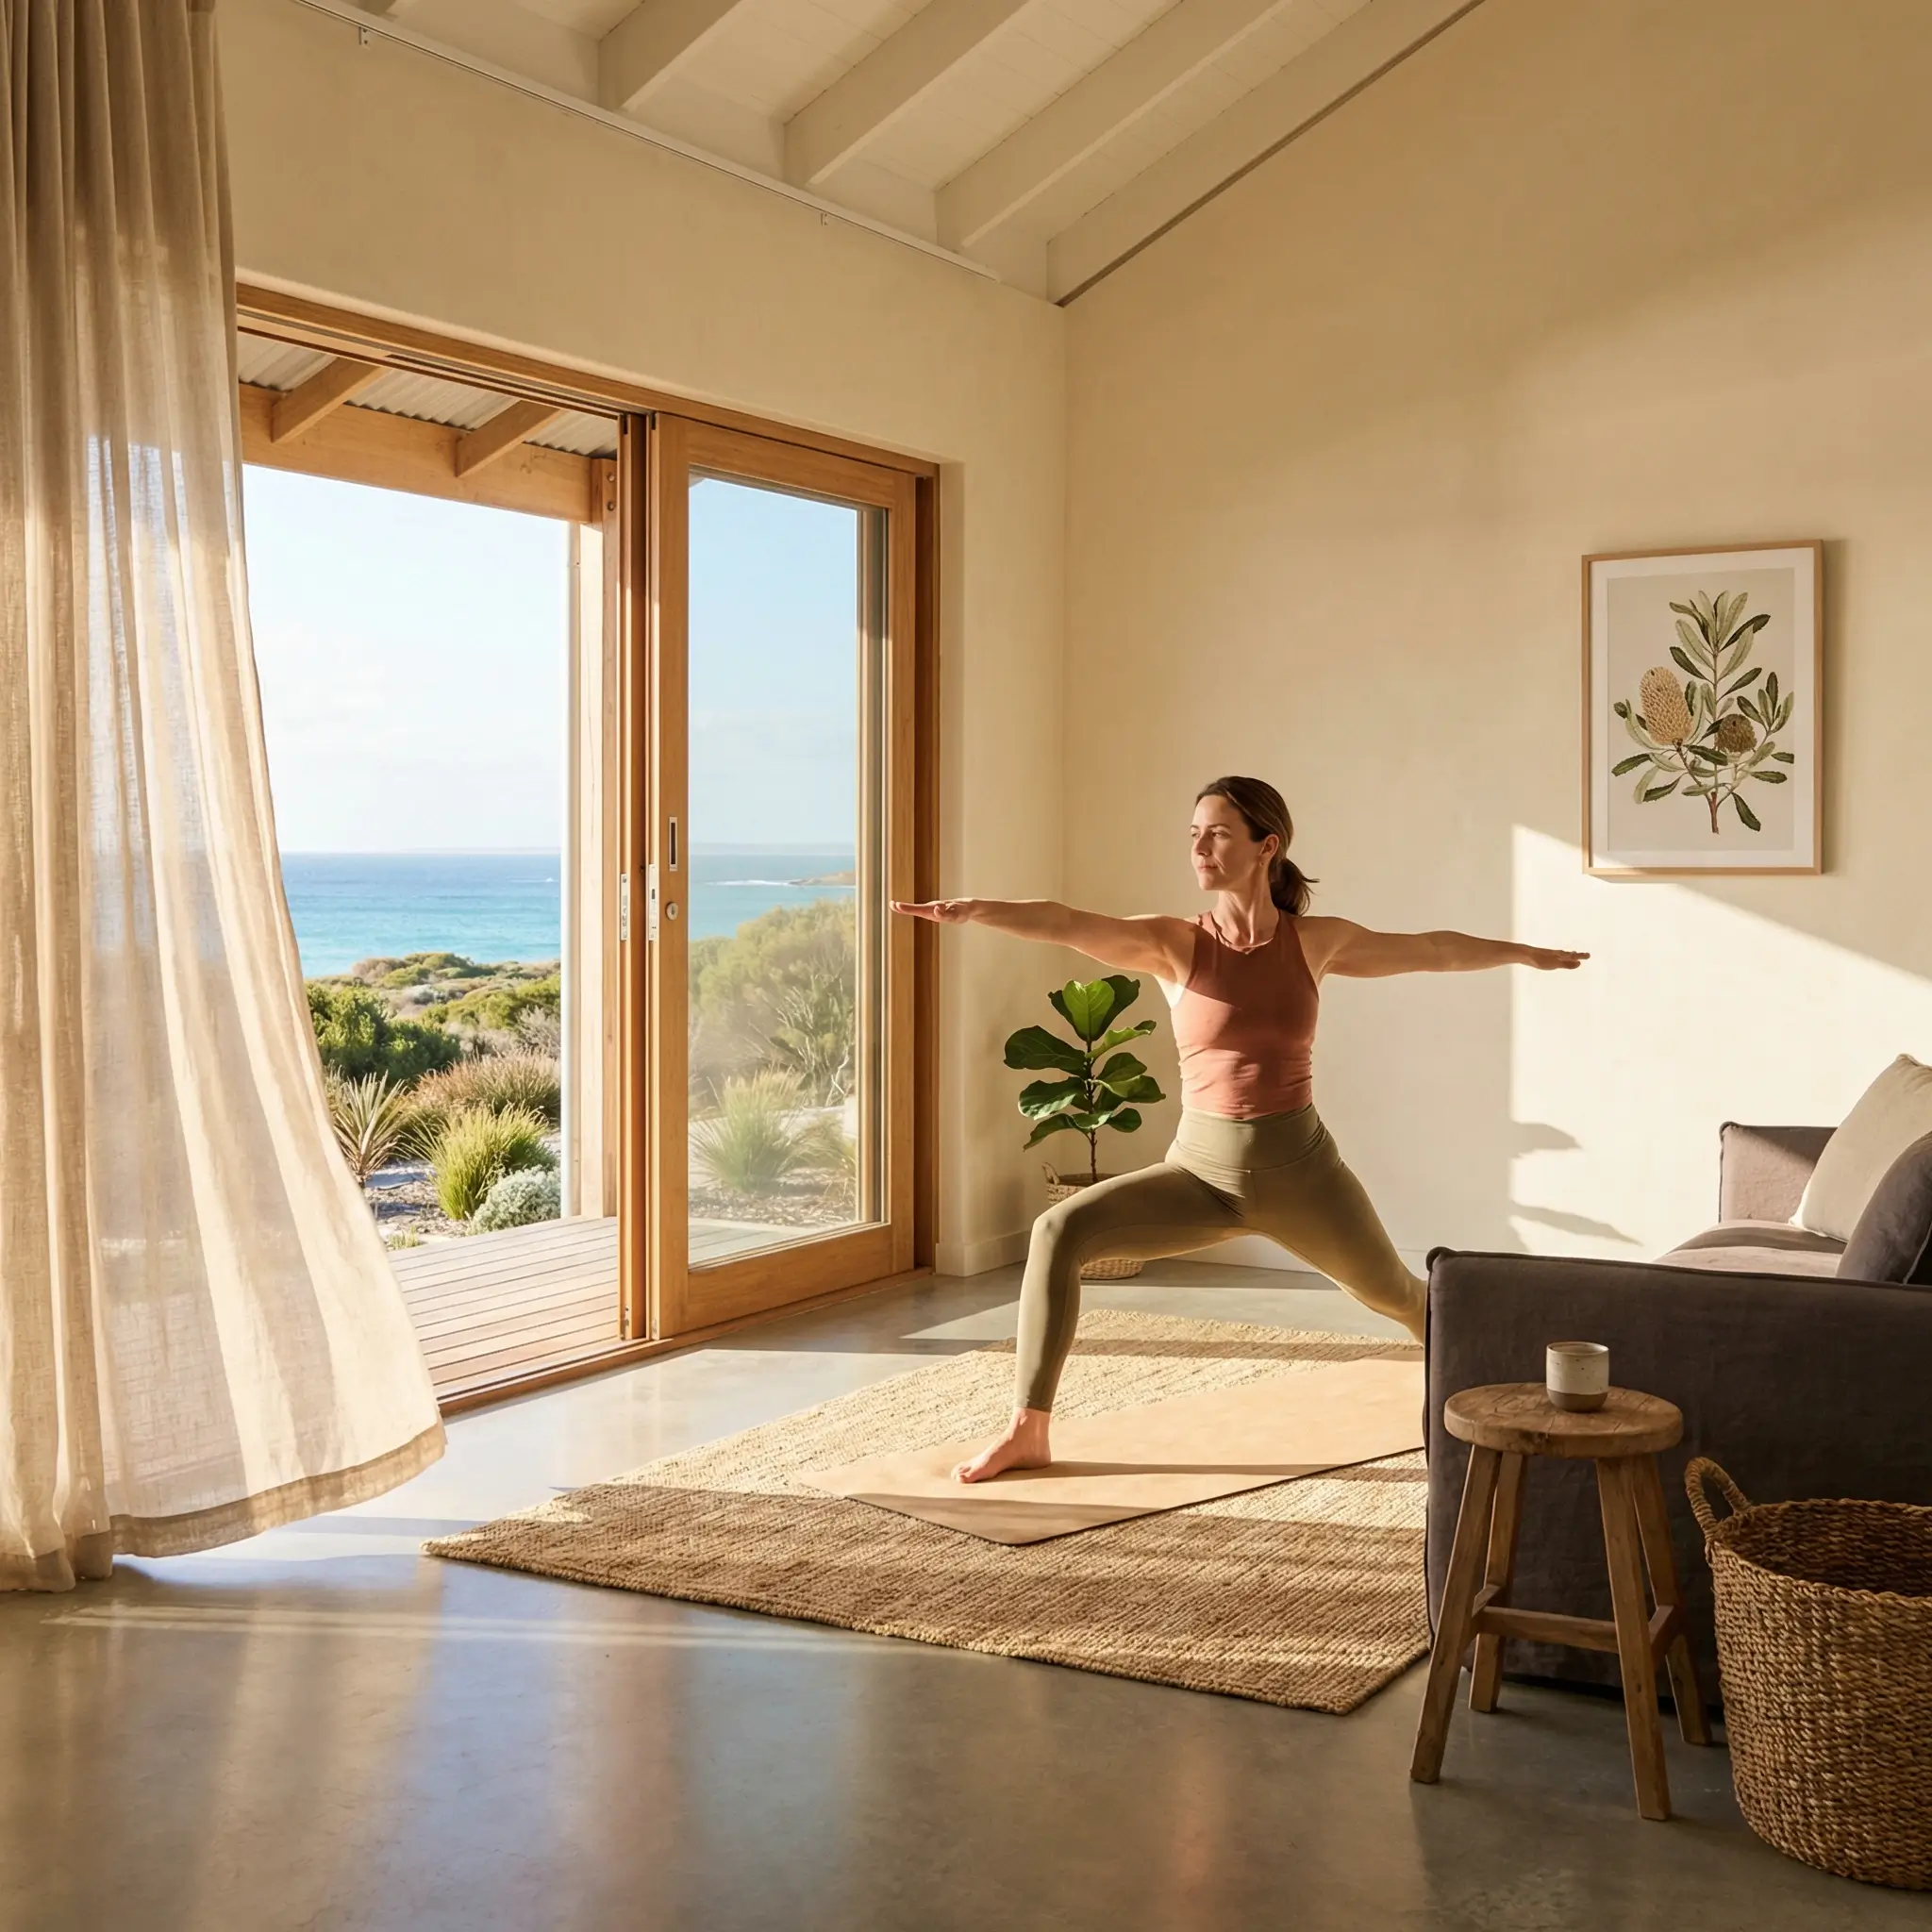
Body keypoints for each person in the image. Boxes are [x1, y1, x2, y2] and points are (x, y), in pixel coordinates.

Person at [891, 775, 1588, 1484]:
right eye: (1193, 833)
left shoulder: (1315, 943)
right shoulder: (1175, 945)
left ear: (1267, 846)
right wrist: (974, 910)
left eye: (1218, 832)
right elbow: (1066, 922)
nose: (1199, 846)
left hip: (1305, 1177)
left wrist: (1524, 953)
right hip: (1200, 1176)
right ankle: (1027, 1429)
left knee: (1401, 1299)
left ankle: (1510, 1397)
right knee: (1056, 1232)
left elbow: (1432, 950)